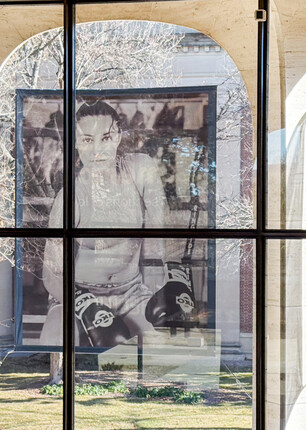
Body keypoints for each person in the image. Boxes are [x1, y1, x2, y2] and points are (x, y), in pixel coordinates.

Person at [39, 99, 196, 348]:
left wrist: (176, 274)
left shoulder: (140, 169)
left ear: (119, 136)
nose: (97, 149)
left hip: (130, 292)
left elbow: (166, 225)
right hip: (79, 293)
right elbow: (51, 274)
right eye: (87, 140)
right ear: (76, 143)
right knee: (53, 343)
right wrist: (83, 303)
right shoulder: (70, 197)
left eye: (106, 137)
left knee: (165, 350)